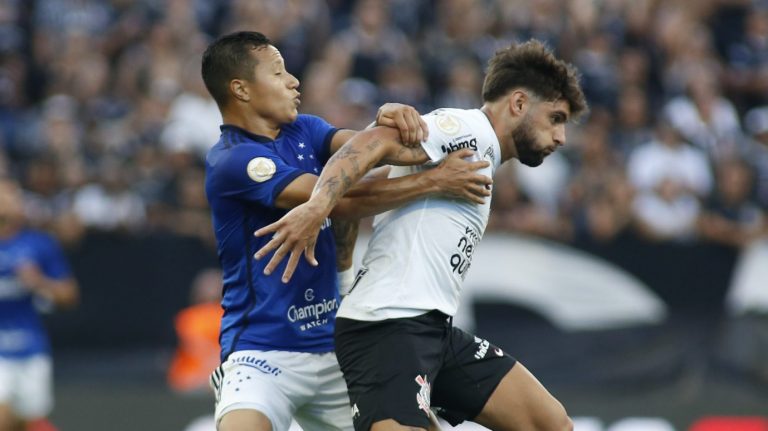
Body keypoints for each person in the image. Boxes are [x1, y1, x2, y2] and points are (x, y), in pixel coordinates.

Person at [254, 40, 588, 431]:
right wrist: (316, 205)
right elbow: (368, 144)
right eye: (555, 118)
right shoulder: (466, 130)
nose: (561, 136)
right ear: (517, 104)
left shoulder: (480, 158)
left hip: (434, 331)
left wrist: (343, 272)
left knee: (551, 425)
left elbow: (363, 183)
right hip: (386, 329)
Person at [201, 31, 493, 431]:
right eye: (278, 72)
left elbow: (371, 151)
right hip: (262, 353)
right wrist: (435, 181)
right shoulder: (233, 162)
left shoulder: (306, 131)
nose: (293, 81)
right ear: (241, 89)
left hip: (337, 349)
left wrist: (388, 121)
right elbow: (340, 200)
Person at [0, 179, 79, 431]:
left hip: (30, 347)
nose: (8, 201)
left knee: (29, 421)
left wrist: (39, 281)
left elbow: (69, 295)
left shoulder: (39, 244)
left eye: (12, 195)